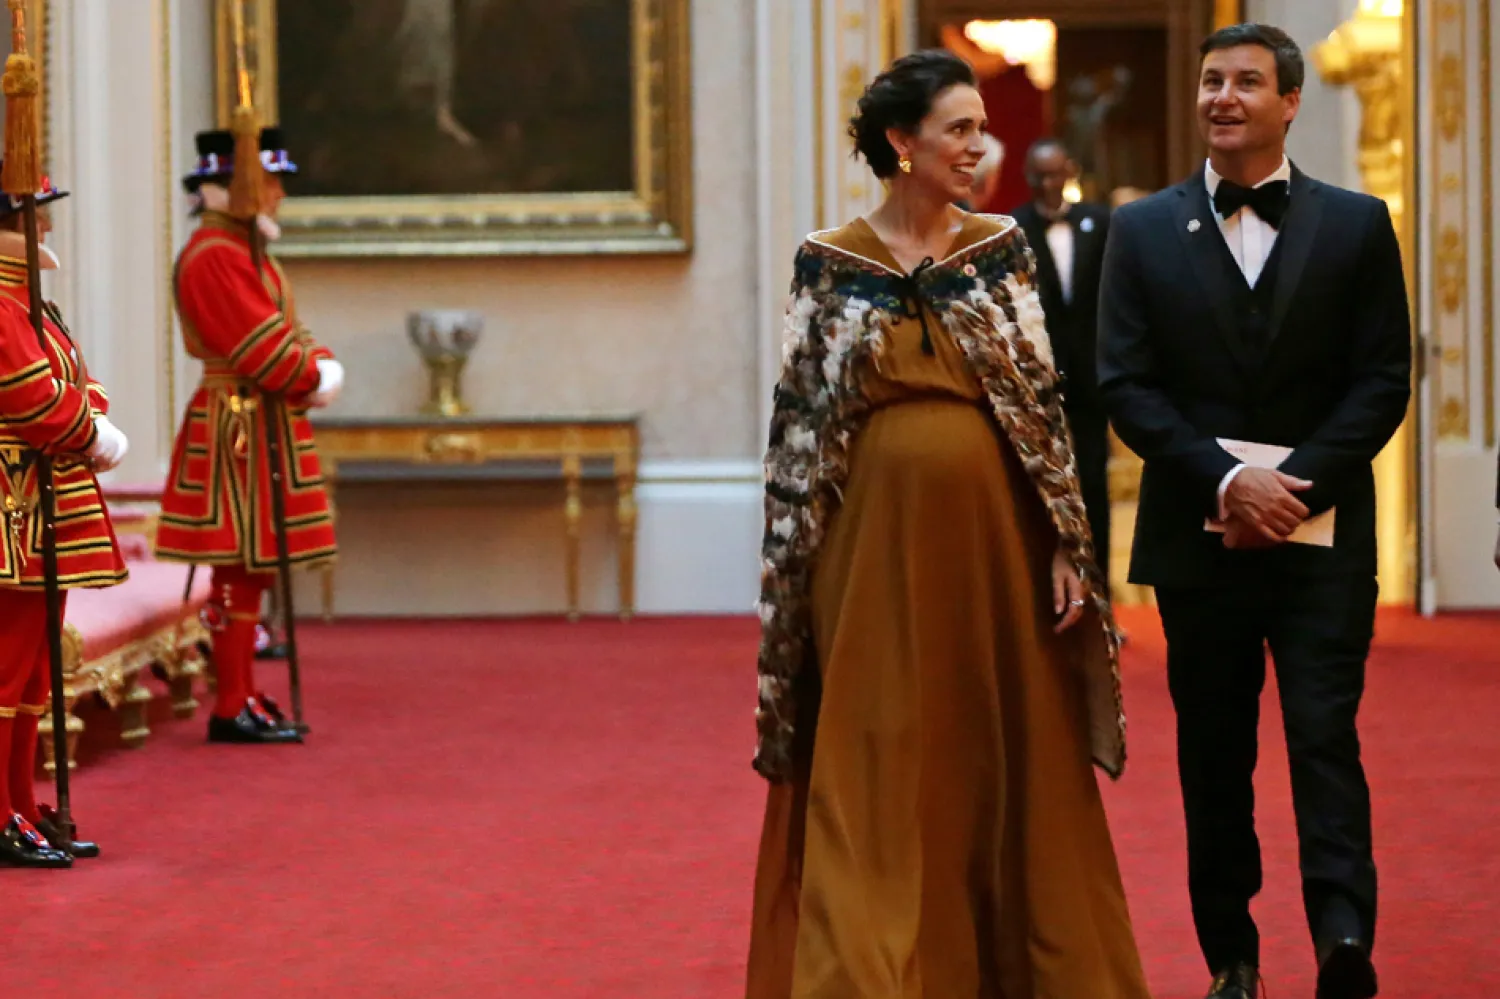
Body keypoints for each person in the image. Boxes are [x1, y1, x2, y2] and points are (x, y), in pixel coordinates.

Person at [745, 49, 1150, 998]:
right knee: (874, 752)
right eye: (959, 129)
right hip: (866, 551)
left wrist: (1063, 544)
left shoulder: (999, 249)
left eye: (980, 129)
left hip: (993, 549)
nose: (979, 146)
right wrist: (793, 580)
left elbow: (1043, 414)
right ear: (902, 141)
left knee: (992, 752)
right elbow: (797, 431)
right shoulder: (828, 261)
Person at [1098, 23, 1410, 999]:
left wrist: (1296, 484)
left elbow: (1382, 379)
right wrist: (1231, 483)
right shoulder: (1141, 229)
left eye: (1245, 82)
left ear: (1289, 103)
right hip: (1200, 546)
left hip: (1321, 543)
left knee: (1326, 737)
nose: (1222, 97)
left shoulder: (1359, 225)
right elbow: (1125, 382)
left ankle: (1343, 943)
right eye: (1209, 81)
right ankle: (1231, 957)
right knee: (1215, 758)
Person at [154, 128, 344, 746]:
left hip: (257, 418)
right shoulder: (215, 255)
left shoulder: (244, 251)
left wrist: (316, 362)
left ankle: (239, 694)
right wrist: (313, 374)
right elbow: (264, 351)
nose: (280, 193)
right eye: (270, 180)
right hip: (237, 422)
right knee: (237, 563)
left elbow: (288, 330)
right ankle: (229, 700)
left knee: (252, 566)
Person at [0, 173, 129, 867]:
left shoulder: (30, 302)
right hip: (11, 502)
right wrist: (90, 430)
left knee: (32, 674)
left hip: (43, 494)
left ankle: (19, 802)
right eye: (35, 215)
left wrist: (90, 416)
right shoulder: (1, 302)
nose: (45, 228)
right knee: (7, 667)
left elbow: (73, 380)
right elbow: (30, 398)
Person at [1011, 138, 1114, 584]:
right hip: (1038, 376)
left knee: (1093, 482)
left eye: (1055, 173)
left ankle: (1099, 588)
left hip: (1092, 375)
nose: (1048, 183)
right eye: (1039, 175)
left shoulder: (1099, 221)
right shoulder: (1012, 229)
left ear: (1070, 170)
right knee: (1040, 485)